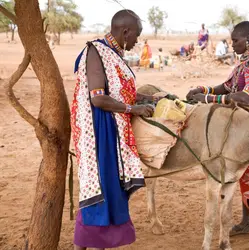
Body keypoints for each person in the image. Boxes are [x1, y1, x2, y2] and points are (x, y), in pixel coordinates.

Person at [186, 21, 249, 248]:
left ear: (248, 39)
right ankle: (246, 222)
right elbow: (228, 88)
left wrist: (208, 100)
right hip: (241, 129)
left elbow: (246, 98)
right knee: (240, 177)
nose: (232, 44)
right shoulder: (244, 63)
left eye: (235, 40)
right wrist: (203, 90)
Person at [71, 9, 159, 250]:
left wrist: (145, 98)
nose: (136, 42)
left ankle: (93, 245)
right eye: (136, 36)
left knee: (109, 190)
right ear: (125, 31)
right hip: (100, 131)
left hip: (111, 128)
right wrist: (133, 109)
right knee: (101, 190)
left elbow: (118, 91)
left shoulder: (112, 54)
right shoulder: (96, 51)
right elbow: (98, 98)